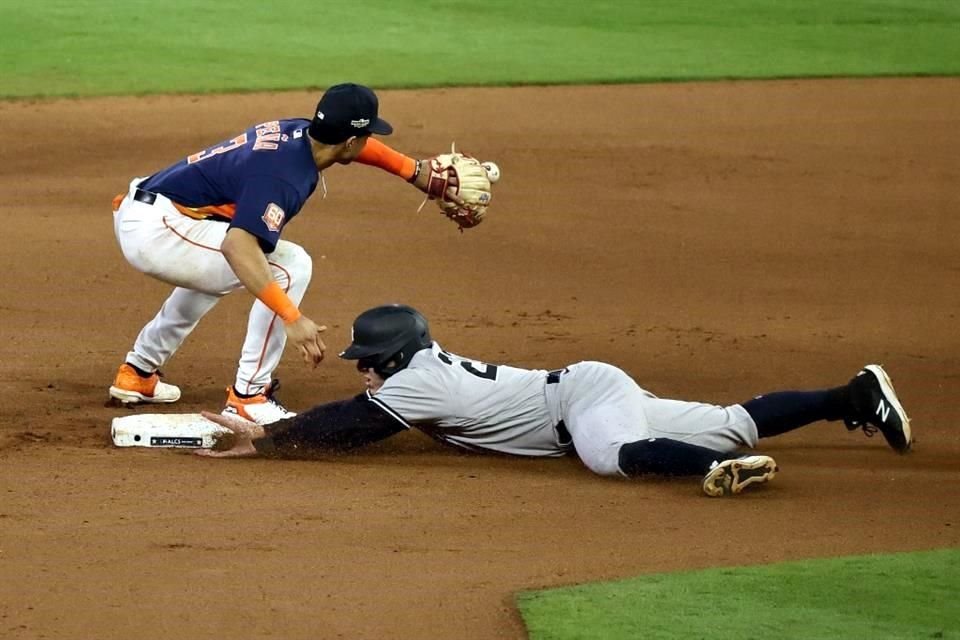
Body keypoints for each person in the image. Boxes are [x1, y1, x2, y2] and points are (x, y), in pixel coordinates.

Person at [197, 304, 913, 497]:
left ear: (391, 359)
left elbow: (351, 428)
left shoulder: (414, 382)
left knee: (610, 459)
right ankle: (849, 395)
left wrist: (266, 440)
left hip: (582, 402)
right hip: (586, 388)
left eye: (366, 364)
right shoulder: (421, 370)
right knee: (732, 422)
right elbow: (355, 415)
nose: (362, 375)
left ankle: (708, 472)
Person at [108, 84, 463, 424]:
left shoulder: (301, 132)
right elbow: (238, 246)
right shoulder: (282, 177)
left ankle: (137, 373)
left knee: (213, 277)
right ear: (351, 140)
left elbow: (351, 147)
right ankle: (249, 397)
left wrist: (412, 171)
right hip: (158, 231)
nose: (369, 141)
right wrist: (291, 317)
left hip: (161, 211)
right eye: (367, 135)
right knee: (287, 266)